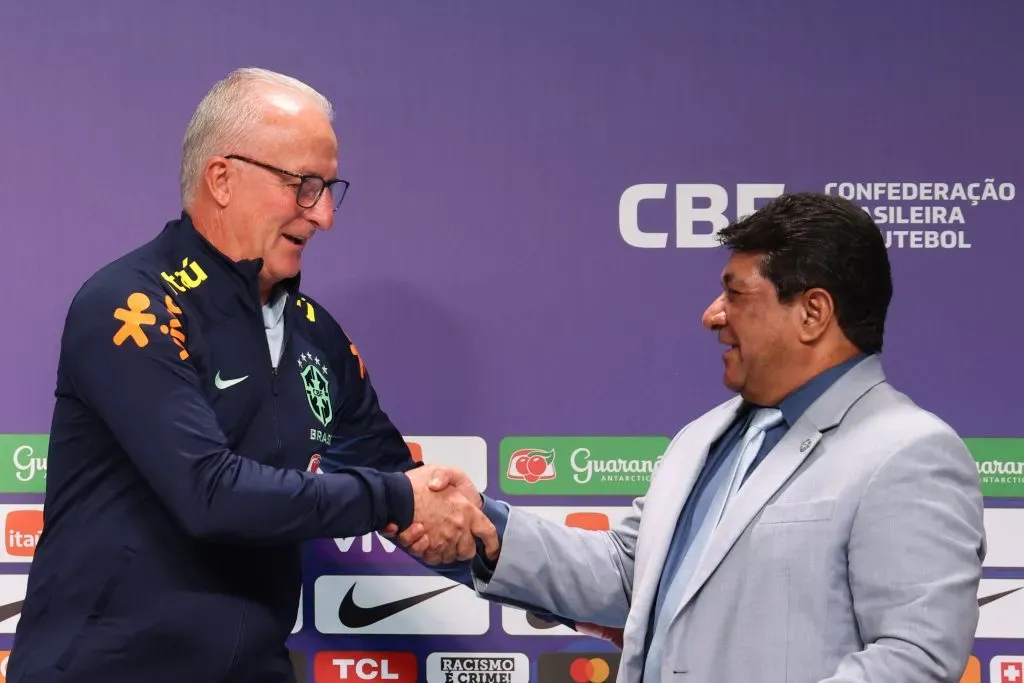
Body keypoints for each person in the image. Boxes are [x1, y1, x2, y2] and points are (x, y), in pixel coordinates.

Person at [8, 67, 497, 683]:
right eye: (304, 186)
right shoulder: (132, 304)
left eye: (327, 189)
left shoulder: (318, 334)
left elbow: (405, 488)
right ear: (221, 178)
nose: (324, 217)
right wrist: (397, 497)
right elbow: (210, 494)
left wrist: (539, 563)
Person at [402, 192, 988, 682]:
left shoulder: (908, 452)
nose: (712, 315)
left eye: (735, 293)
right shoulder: (703, 435)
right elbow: (629, 573)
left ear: (812, 313)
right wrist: (484, 527)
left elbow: (914, 660)